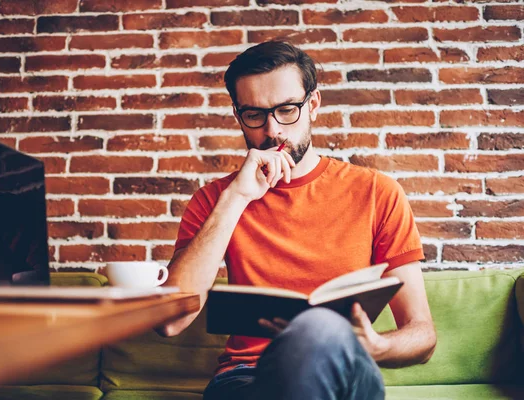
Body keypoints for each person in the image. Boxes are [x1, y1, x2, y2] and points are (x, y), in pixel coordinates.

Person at [156, 41, 437, 400]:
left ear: (313, 104)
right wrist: (238, 197)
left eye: (287, 109)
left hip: (344, 370)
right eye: (254, 114)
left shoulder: (377, 193)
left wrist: (375, 346)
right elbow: (170, 321)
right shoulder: (215, 201)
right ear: (237, 114)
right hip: (247, 378)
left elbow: (422, 334)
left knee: (319, 331)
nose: (272, 130)